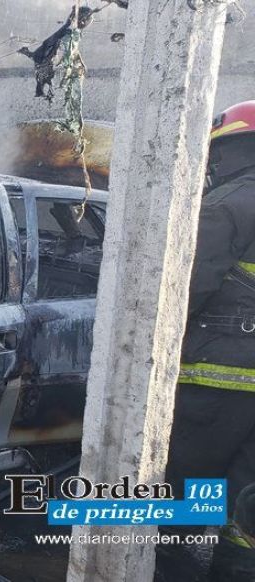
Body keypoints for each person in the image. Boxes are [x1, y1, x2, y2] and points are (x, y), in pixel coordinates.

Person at [164, 100, 255, 580]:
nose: (213, 164)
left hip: (221, 379)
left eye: (219, 153)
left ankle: (170, 566)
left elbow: (185, 289)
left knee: (189, 486)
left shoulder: (230, 203)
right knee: (246, 496)